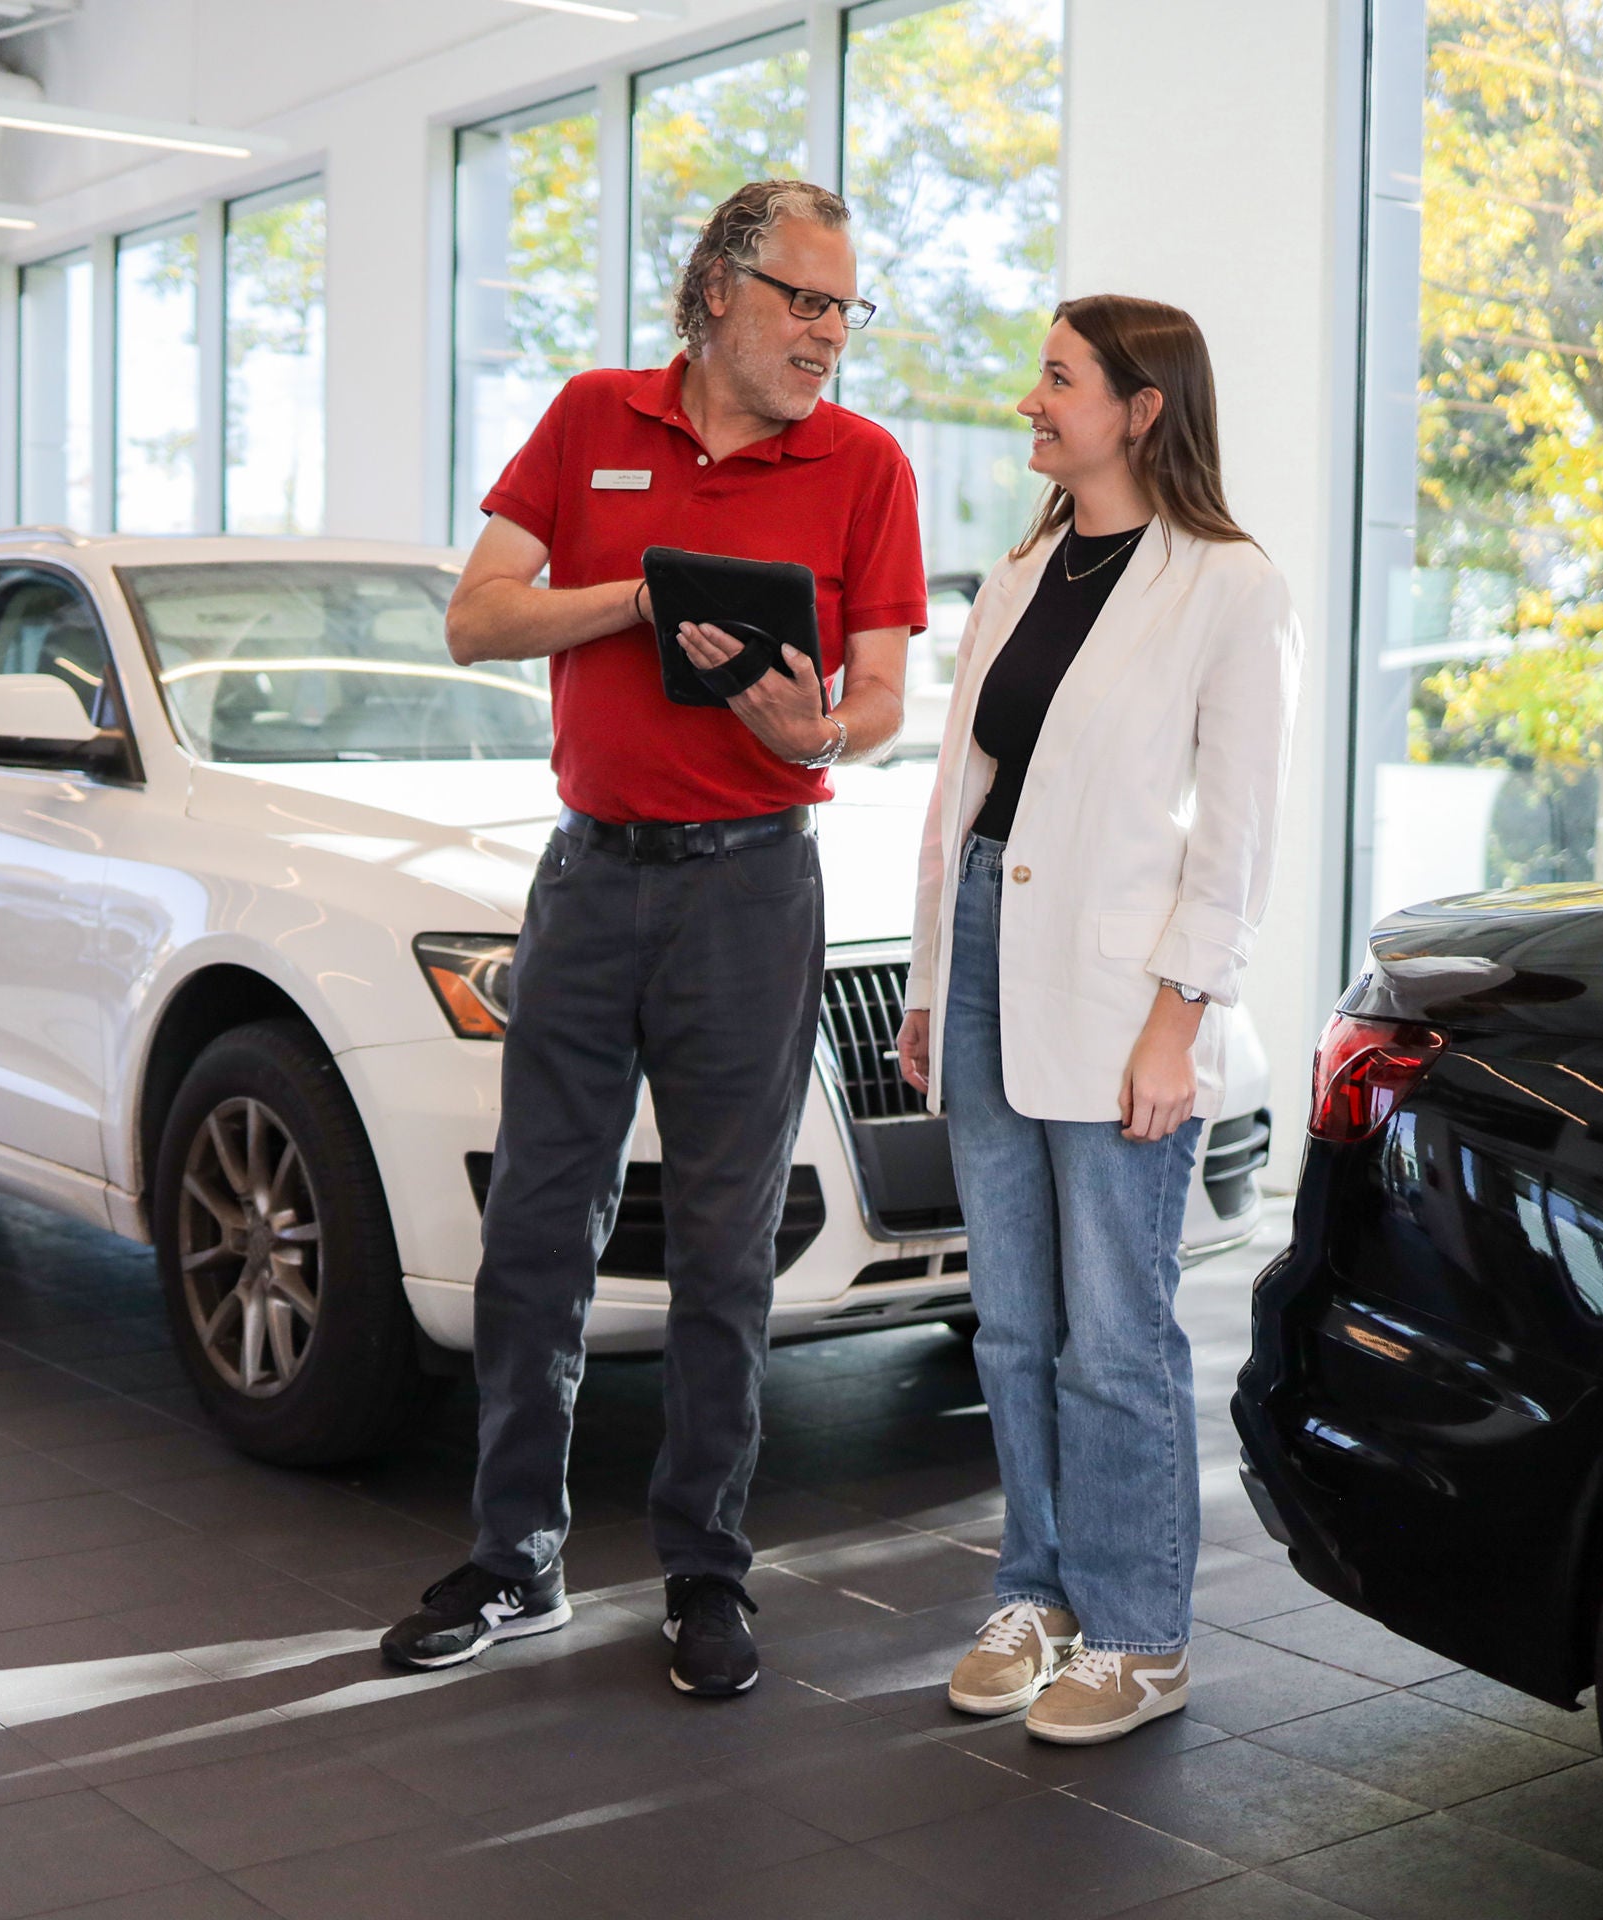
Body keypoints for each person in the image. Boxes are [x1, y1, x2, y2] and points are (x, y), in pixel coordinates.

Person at [381, 180, 927, 1696]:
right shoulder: (588, 418)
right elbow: (477, 619)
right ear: (717, 292)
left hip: (753, 888)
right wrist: (639, 598)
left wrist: (817, 729)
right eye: (804, 299)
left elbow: (882, 696)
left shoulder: (866, 463)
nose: (828, 334)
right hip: (589, 878)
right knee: (535, 1226)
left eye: (845, 308)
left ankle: (706, 1569)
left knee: (724, 1245)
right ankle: (517, 1559)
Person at [895, 294, 1300, 1744]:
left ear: (1140, 409)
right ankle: (1039, 1594)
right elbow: (964, 799)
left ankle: (1139, 1632)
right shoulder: (1023, 570)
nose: (1030, 400)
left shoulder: (1229, 585)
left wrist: (1178, 1023)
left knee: (1114, 1335)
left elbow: (1235, 836)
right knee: (1011, 1324)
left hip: (1121, 987)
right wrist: (932, 985)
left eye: (1057, 379)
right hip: (989, 953)